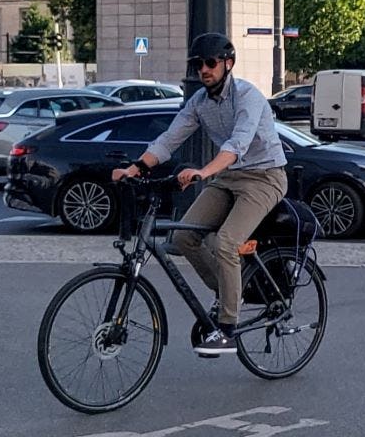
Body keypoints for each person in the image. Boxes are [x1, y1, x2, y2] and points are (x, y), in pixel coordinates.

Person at [112, 33, 287, 357]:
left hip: (264, 177)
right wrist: (134, 169)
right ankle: (228, 293)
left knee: (226, 243)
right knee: (183, 239)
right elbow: (169, 139)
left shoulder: (247, 96)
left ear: (227, 64)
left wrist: (203, 173)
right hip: (228, 178)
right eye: (198, 65)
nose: (203, 70)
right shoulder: (200, 103)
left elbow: (237, 145)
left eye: (210, 63)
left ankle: (228, 328)